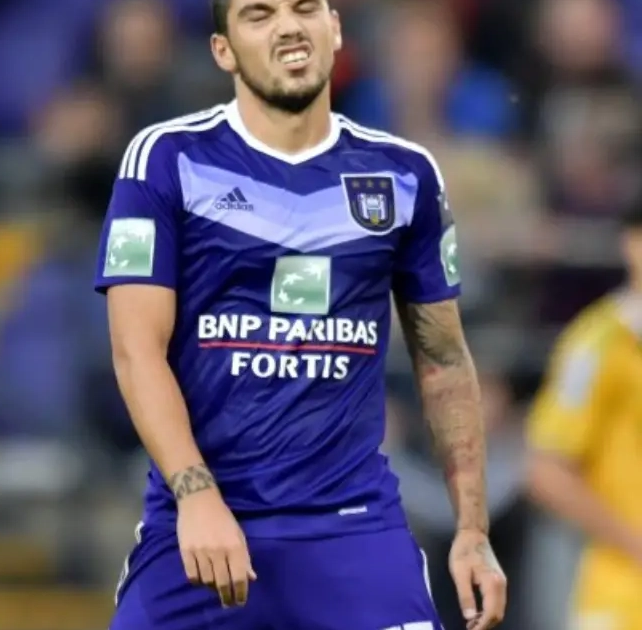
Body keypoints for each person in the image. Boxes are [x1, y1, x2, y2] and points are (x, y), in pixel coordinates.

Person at [95, 1, 508, 629]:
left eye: (305, 8)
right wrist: (197, 495)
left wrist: (472, 530)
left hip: (355, 531)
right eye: (259, 14)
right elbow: (136, 351)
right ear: (223, 50)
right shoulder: (167, 157)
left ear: (334, 28)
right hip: (203, 525)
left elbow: (444, 358)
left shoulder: (404, 175)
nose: (288, 26)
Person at [525, 201, 642, 630]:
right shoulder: (599, 343)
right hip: (623, 600)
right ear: (632, 243)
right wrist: (634, 543)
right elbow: (547, 470)